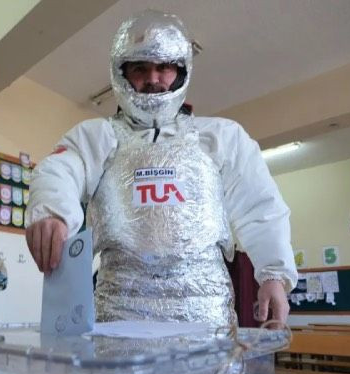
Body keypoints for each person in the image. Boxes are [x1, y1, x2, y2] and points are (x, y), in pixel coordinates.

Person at [26, 10, 296, 326]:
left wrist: (274, 275)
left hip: (207, 318)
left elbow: (259, 206)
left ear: (181, 71)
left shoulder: (221, 137)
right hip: (119, 317)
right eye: (140, 68)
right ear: (121, 73)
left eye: (164, 67)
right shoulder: (97, 137)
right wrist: (52, 212)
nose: (153, 79)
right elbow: (60, 169)